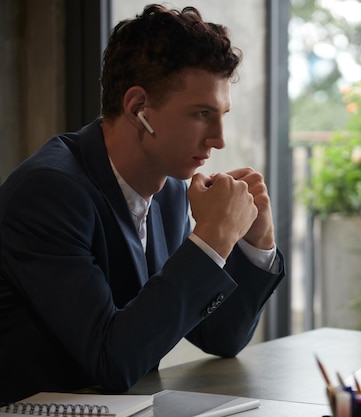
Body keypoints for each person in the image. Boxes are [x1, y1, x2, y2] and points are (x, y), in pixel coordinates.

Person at [0, 4, 285, 403]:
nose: (219, 138)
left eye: (221, 114)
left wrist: (259, 242)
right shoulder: (48, 192)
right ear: (138, 108)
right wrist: (211, 239)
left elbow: (220, 337)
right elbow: (111, 361)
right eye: (201, 114)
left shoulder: (168, 189)